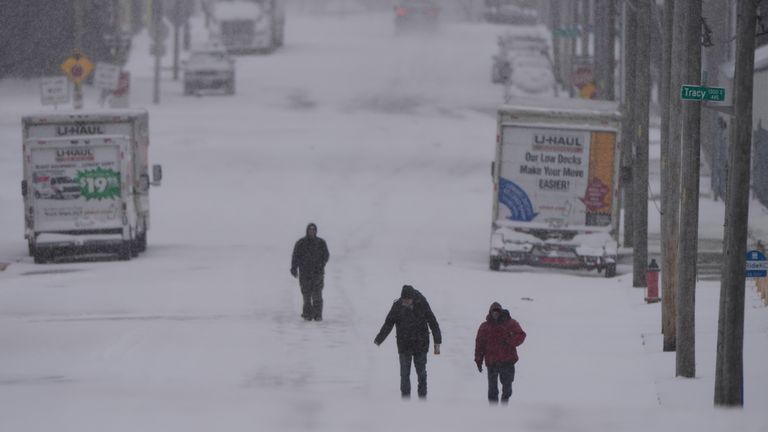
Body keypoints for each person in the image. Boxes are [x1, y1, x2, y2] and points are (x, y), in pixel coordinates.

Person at [374, 285, 442, 399]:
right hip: (404, 345)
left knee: (421, 373)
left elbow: (432, 321)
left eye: (407, 300)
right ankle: (405, 400)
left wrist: (437, 343)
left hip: (421, 343)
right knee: (404, 374)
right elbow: (388, 323)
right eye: (404, 300)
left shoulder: (422, 303)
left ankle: (422, 398)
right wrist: (379, 339)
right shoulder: (397, 306)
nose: (405, 302)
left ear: (412, 297)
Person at [474, 301, 526, 404]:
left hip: (508, 361)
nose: (495, 313)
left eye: (497, 311)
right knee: (492, 390)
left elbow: (521, 335)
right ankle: (493, 412)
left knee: (507, 388)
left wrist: (510, 340)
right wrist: (478, 360)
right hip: (492, 362)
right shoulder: (484, 327)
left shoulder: (510, 323)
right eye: (493, 311)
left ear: (501, 312)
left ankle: (504, 406)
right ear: (490, 312)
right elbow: (479, 344)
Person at [290, 223, 329, 321]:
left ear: (316, 231)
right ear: (307, 231)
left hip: (317, 273)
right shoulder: (301, 243)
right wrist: (294, 268)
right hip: (304, 274)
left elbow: (326, 255)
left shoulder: (321, 243)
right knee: (306, 295)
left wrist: (321, 264)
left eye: (313, 230)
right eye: (310, 230)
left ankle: (317, 314)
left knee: (317, 295)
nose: (312, 231)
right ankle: (307, 314)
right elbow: (295, 256)